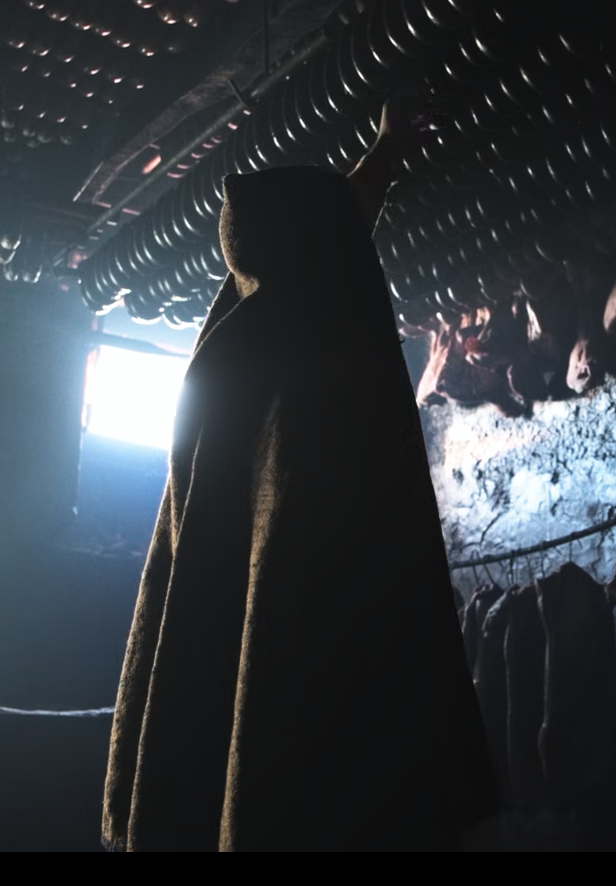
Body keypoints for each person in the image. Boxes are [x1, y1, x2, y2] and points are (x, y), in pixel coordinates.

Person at [103, 100, 500, 851]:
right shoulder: (307, 357)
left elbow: (321, 239)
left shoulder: (234, 343)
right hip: (313, 651)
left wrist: (382, 160)